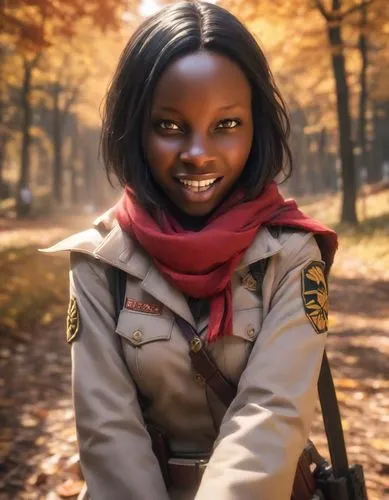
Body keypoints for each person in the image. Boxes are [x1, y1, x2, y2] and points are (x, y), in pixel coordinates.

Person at [44, 2, 338, 499]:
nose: (198, 152)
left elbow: (271, 414)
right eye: (170, 126)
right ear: (135, 128)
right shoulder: (100, 261)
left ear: (255, 126)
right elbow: (107, 428)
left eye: (226, 125)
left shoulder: (291, 253)